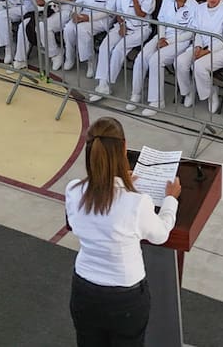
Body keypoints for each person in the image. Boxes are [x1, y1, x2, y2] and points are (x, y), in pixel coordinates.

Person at [65, 117, 181, 347]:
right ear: (123, 149)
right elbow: (161, 234)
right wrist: (170, 200)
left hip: (84, 291)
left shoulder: (74, 190)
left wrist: (119, 181)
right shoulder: (136, 203)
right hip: (124, 299)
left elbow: (81, 220)